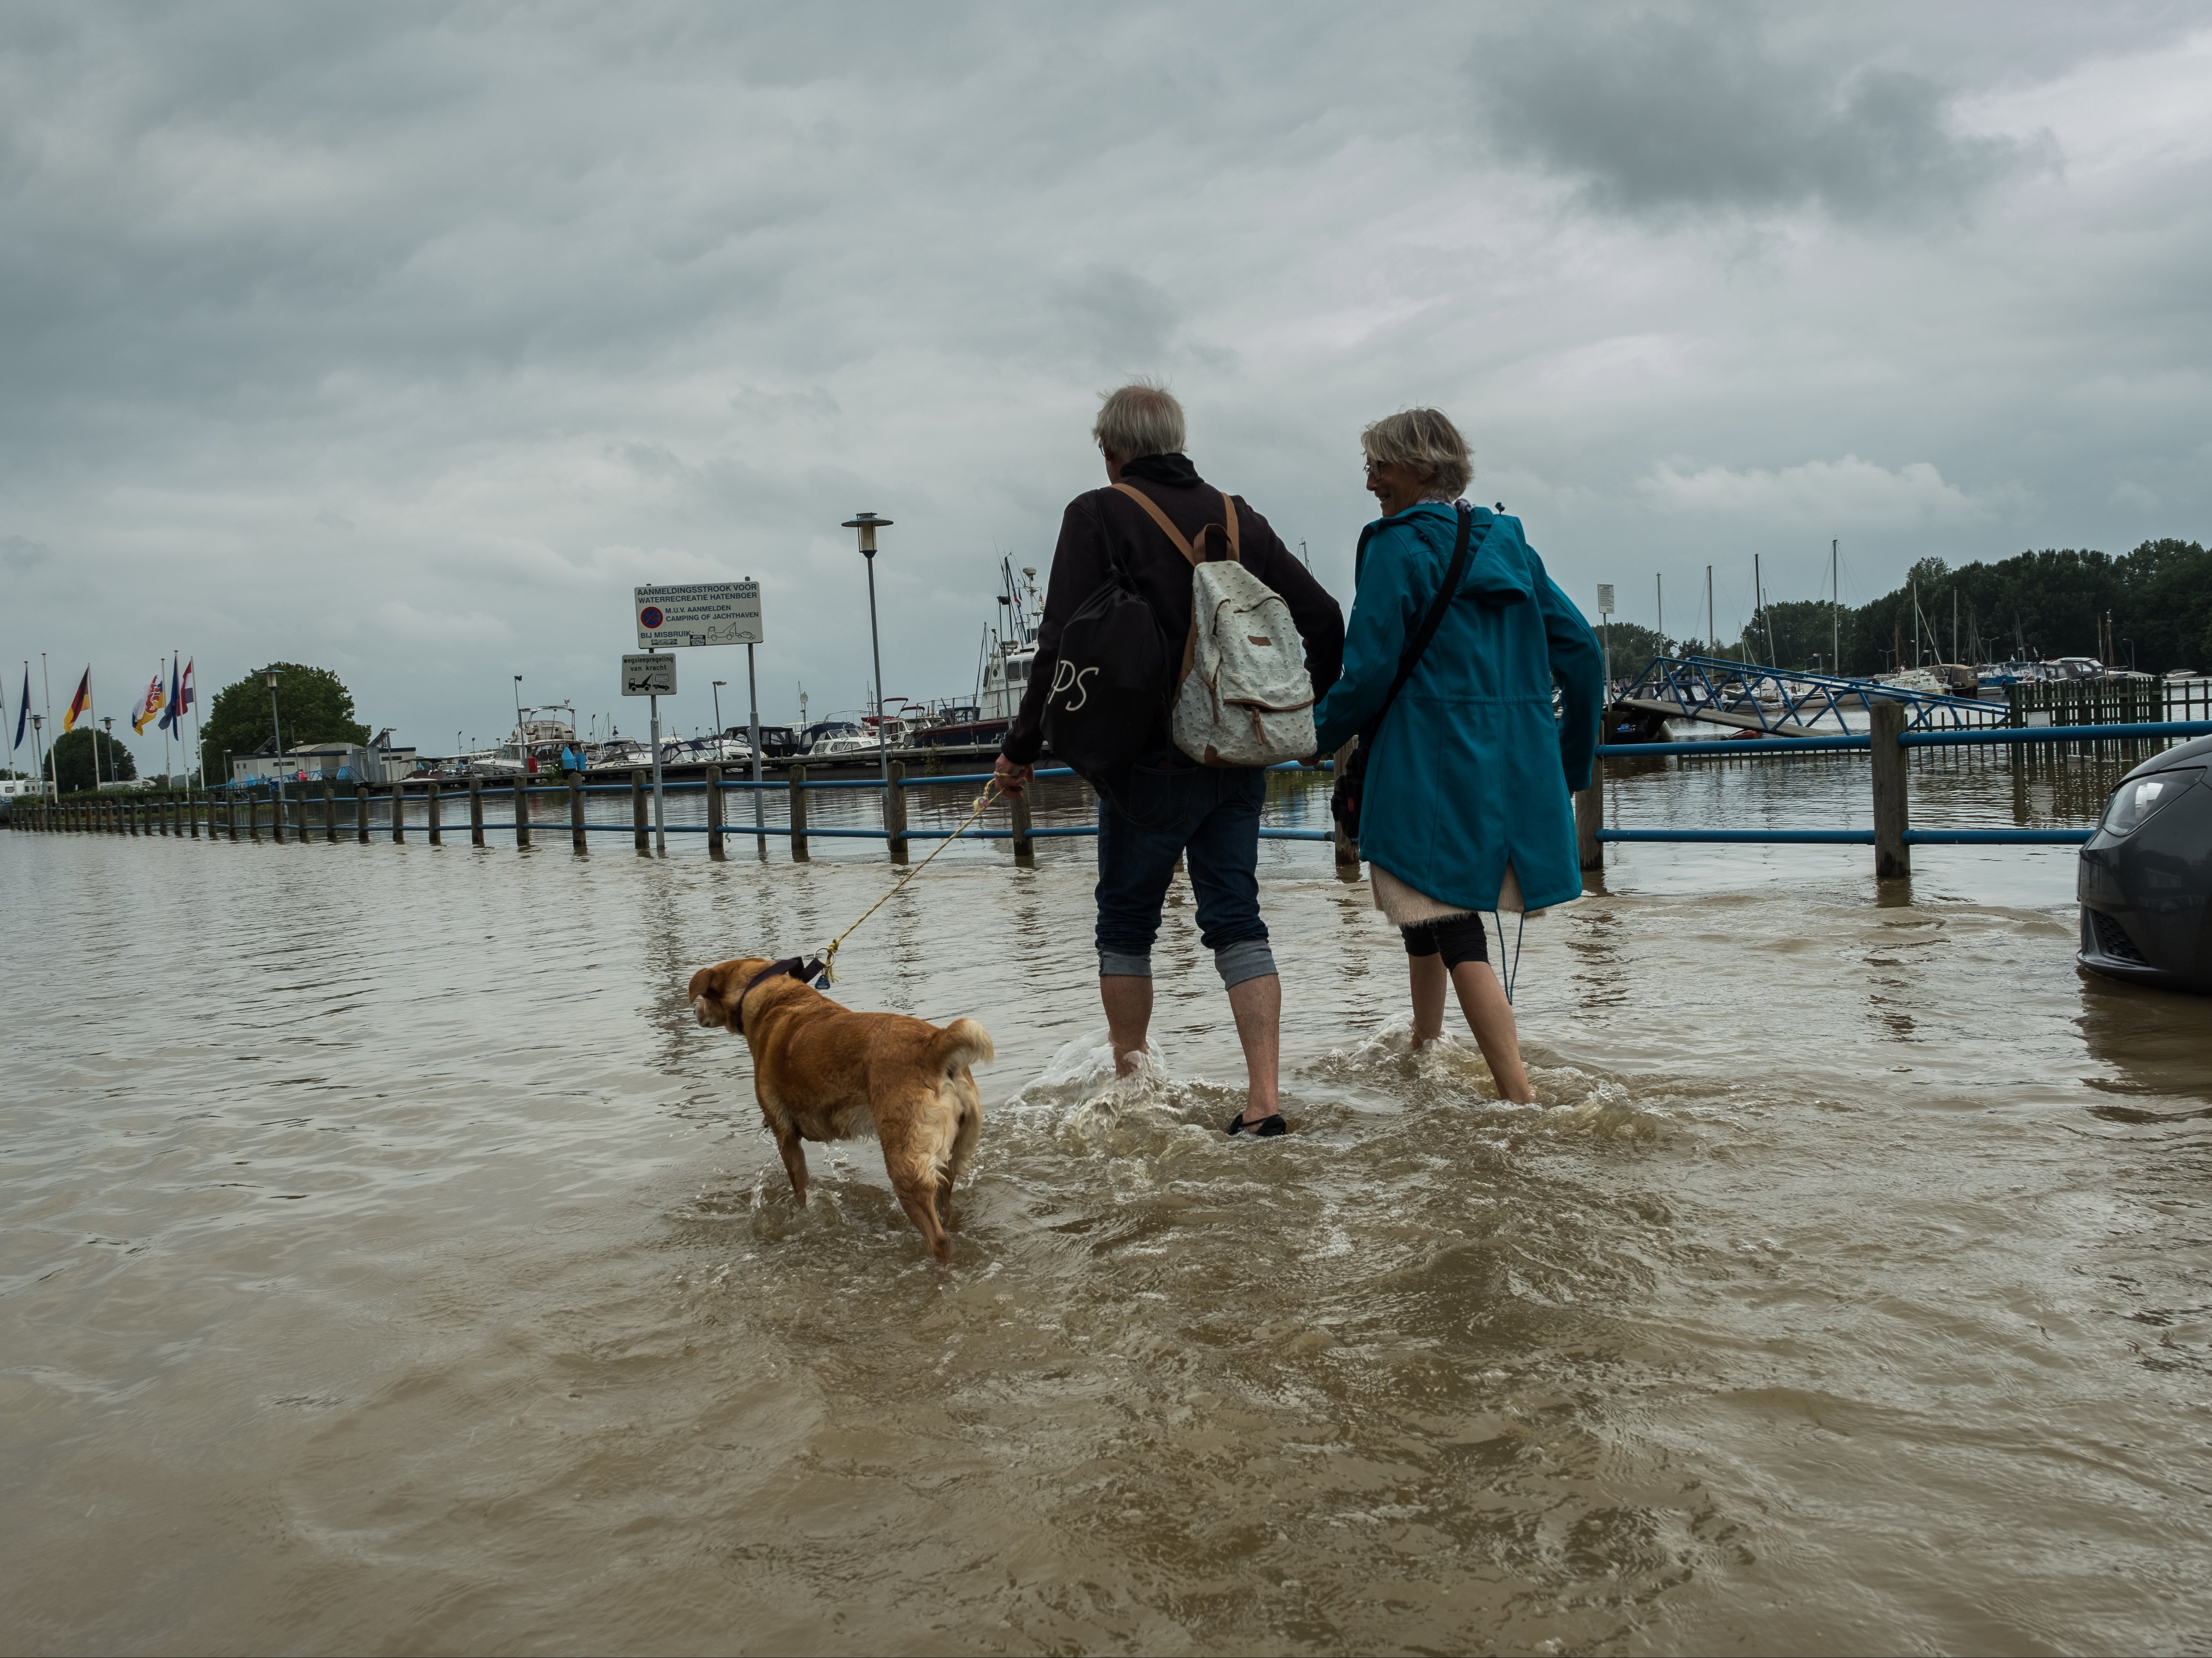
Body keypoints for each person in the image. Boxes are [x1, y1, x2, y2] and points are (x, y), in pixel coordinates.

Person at [995, 381, 1345, 1136]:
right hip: (1235, 756)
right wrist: (1294, 713)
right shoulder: (1238, 517)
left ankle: (1135, 1093)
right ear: (1178, 442)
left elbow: (1058, 645)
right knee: (1238, 919)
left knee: (1127, 926)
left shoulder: (1097, 513)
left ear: (1112, 449)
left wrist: (1019, 751)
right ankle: (1264, 1102)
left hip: (1147, 764)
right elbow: (1323, 618)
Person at [1311, 408, 1603, 1103]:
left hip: (1423, 770)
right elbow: (1584, 658)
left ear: (1422, 466)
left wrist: (1309, 738)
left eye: (1380, 465)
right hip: (1510, 777)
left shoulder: (1395, 546)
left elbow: (1368, 675)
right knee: (1422, 913)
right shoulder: (1509, 544)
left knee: (1453, 925)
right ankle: (1425, 1046)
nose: (1370, 480)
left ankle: (1519, 1097)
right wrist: (1566, 767)